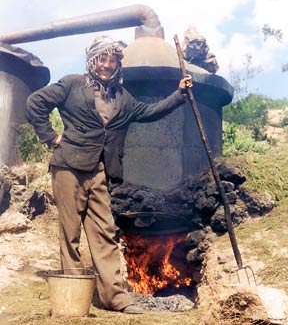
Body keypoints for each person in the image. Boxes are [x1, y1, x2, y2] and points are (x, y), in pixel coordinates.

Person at [26, 35, 192, 314]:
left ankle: (114, 297)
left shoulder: (122, 97)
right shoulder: (71, 85)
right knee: (70, 233)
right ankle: (73, 295)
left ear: (117, 65)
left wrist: (179, 95)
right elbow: (35, 103)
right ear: (92, 61)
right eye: (101, 59)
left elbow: (150, 112)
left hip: (101, 171)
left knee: (104, 232)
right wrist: (50, 137)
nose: (106, 65)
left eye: (111, 60)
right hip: (69, 167)